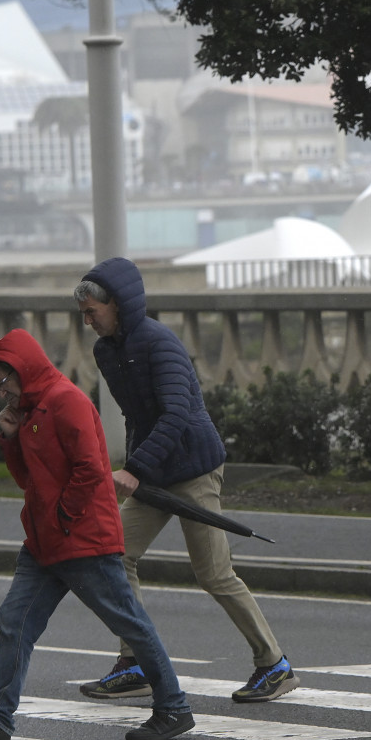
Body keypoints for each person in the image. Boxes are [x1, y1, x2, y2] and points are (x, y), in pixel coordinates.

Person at [0, 329, 195, 740]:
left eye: (3, 382)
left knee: (129, 623)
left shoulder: (65, 400)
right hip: (45, 543)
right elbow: (27, 479)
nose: (1, 393)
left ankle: (174, 707)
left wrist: (62, 516)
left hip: (82, 541)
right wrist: (10, 438)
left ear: (24, 369)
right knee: (14, 623)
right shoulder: (29, 411)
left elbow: (91, 469)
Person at [74, 256, 295, 702]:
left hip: (194, 470)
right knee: (114, 554)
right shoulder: (106, 351)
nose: (87, 322)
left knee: (214, 574)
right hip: (153, 473)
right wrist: (137, 465)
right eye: (83, 314)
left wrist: (134, 469)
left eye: (91, 312)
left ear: (116, 304)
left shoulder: (160, 343)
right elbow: (136, 415)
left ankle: (275, 665)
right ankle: (136, 661)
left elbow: (176, 414)